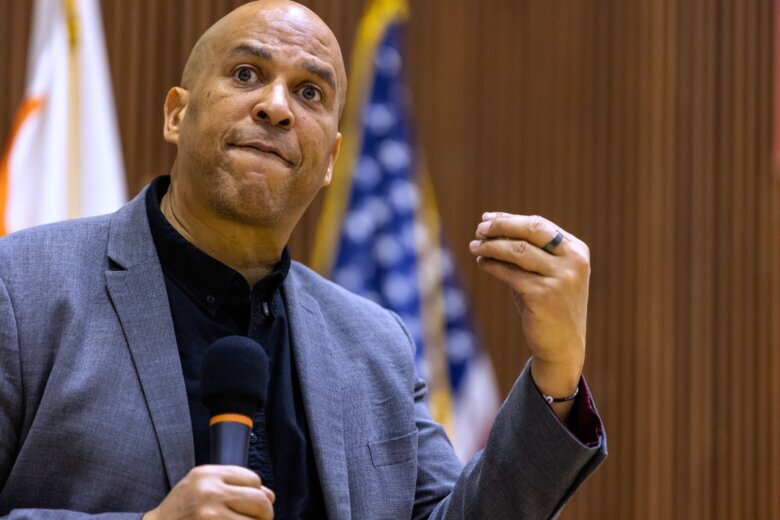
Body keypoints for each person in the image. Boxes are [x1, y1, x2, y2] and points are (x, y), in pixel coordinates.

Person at [0, 1, 606, 518]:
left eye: (309, 92)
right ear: (177, 114)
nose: (276, 106)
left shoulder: (375, 346)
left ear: (330, 161)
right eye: (246, 73)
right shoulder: (22, 287)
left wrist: (555, 371)